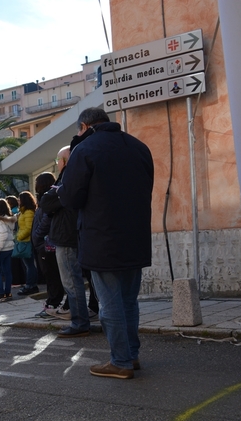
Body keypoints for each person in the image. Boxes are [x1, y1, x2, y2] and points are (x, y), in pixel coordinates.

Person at [57, 107, 154, 379]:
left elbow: (71, 197)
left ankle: (120, 361)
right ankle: (131, 356)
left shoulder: (85, 150)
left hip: (102, 237)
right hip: (136, 237)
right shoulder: (139, 147)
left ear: (85, 126)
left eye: (78, 131)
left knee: (110, 303)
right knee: (128, 302)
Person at [40, 145, 91, 337]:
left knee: (71, 281)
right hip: (68, 235)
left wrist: (53, 197)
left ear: (65, 162)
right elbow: (47, 203)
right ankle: (81, 320)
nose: (57, 164)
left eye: (58, 160)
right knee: (72, 281)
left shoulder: (71, 178)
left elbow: (47, 202)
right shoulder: (68, 179)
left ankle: (80, 323)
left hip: (68, 237)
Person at [32, 173, 65, 316]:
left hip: (47, 245)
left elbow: (46, 221)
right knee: (51, 276)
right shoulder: (45, 200)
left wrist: (37, 236)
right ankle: (52, 301)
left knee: (53, 277)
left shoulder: (48, 200)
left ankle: (53, 303)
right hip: (44, 244)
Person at [16, 191, 40, 296]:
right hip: (24, 240)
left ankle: (31, 285)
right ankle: (31, 284)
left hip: (26, 241)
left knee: (29, 265)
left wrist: (19, 236)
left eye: (19, 199)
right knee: (29, 265)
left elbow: (28, 228)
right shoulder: (24, 212)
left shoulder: (28, 212)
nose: (18, 201)